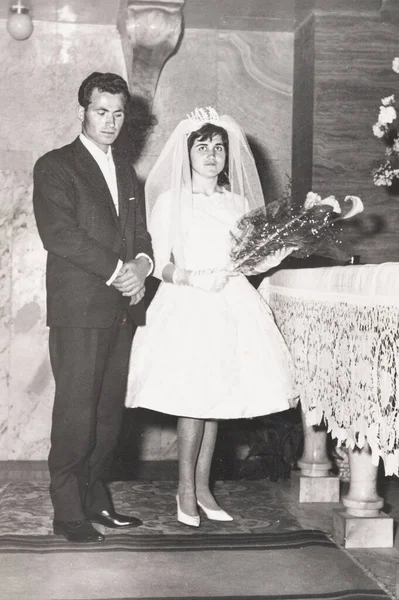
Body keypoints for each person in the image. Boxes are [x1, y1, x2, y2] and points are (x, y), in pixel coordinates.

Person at [125, 108, 297, 526]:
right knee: (193, 400)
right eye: (202, 146)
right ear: (187, 153)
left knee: (217, 398)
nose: (212, 154)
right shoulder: (171, 201)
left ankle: (203, 489)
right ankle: (184, 489)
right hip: (188, 301)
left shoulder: (237, 202)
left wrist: (278, 248)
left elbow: (247, 258)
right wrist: (187, 276)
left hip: (229, 301)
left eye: (219, 147)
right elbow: (157, 262)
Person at [33, 72, 153, 542]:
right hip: (80, 310)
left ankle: (96, 500)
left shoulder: (127, 171)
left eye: (119, 113)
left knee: (108, 416)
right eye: (101, 111)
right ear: (82, 111)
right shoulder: (55, 165)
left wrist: (141, 265)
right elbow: (59, 234)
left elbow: (141, 233)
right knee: (76, 413)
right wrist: (118, 270)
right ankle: (67, 512)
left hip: (121, 307)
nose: (111, 121)